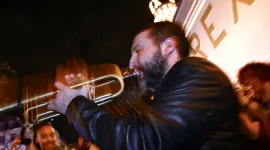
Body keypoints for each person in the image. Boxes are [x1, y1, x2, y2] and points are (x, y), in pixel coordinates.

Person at [48, 21, 245, 149]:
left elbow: (145, 139)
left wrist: (76, 106)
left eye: (138, 50)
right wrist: (84, 101)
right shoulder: (167, 93)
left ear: (167, 46)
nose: (132, 62)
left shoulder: (198, 73)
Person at [237, 62, 270, 149]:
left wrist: (248, 103)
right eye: (242, 84)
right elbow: (255, 133)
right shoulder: (260, 101)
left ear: (260, 76)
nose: (244, 86)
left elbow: (267, 117)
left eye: (246, 82)